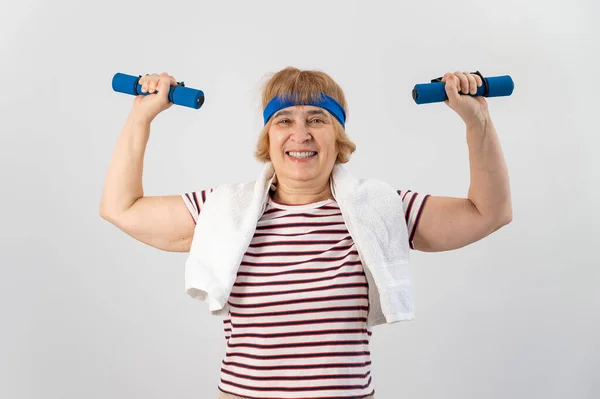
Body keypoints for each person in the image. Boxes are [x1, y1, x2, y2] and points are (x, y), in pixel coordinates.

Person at [99, 67, 512, 399]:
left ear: (338, 138)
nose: (301, 133)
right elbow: (121, 208)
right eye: (284, 120)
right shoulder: (222, 212)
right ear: (269, 137)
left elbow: (487, 213)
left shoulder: (381, 209)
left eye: (318, 118)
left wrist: (476, 120)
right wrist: (141, 115)